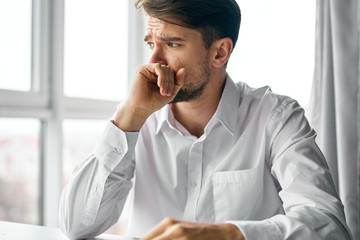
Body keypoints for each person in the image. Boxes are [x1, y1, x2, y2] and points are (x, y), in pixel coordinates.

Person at [59, 0, 352, 239]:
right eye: (151, 44)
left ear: (220, 52)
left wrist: (227, 235)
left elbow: (329, 226)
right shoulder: (137, 119)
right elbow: (75, 226)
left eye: (172, 44)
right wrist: (128, 118)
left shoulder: (277, 118)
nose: (153, 62)